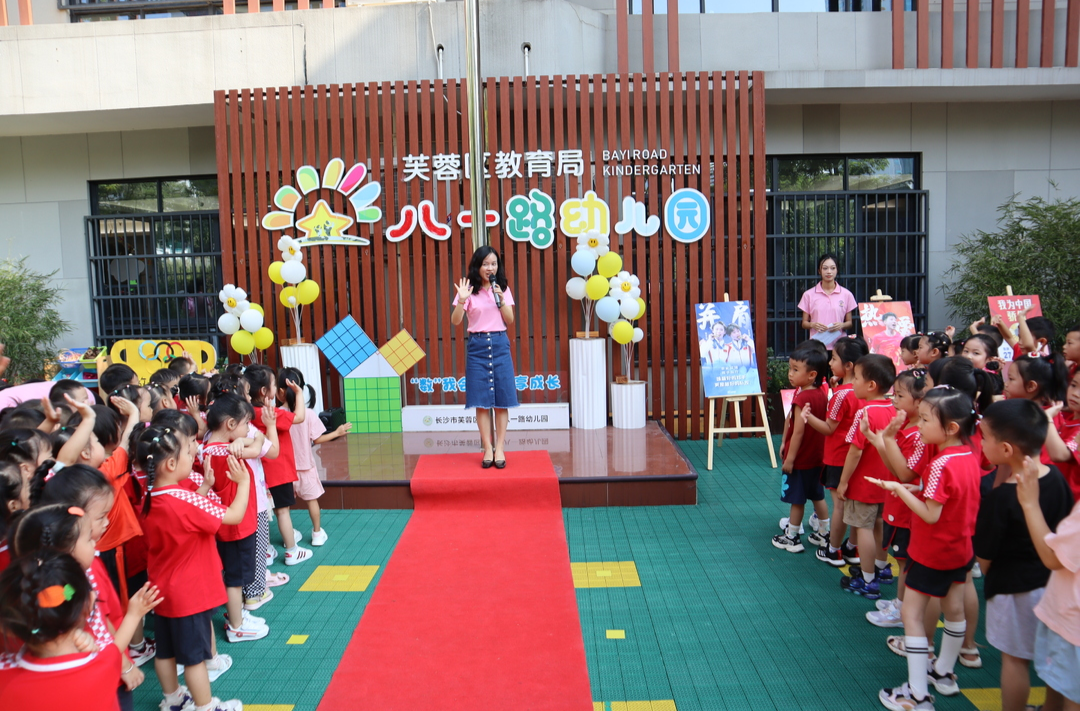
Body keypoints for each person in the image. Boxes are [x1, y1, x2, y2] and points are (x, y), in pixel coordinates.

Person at [869, 388, 982, 711]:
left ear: (951, 428)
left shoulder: (939, 464)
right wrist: (916, 488)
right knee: (954, 609)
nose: (919, 424)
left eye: (926, 419)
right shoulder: (969, 455)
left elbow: (931, 514)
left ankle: (917, 694)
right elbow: (952, 498)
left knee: (911, 614)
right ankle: (944, 673)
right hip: (960, 548)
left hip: (931, 551)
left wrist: (898, 490)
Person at [136, 424, 251, 711]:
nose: (194, 454)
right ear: (172, 463)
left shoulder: (148, 498)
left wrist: (204, 488)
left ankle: (173, 698)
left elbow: (184, 517)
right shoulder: (183, 499)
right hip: (189, 593)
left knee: (166, 652)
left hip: (162, 590)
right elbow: (234, 515)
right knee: (195, 658)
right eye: (189, 452)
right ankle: (206, 705)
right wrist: (244, 481)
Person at [975, 400, 1074, 711]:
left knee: (1015, 661)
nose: (981, 443)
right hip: (1052, 588)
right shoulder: (1056, 478)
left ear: (1006, 449)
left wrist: (990, 573)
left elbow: (985, 555)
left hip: (1011, 590)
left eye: (985, 437)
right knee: (1053, 665)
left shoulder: (1001, 496)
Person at [0, 551, 160, 711]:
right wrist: (134, 614)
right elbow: (115, 649)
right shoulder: (101, 664)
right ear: (90, 603)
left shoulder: (5, 675)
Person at [863, 368, 930, 629]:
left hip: (907, 509)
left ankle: (903, 611)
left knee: (905, 563)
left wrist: (886, 438)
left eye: (900, 395)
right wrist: (876, 439)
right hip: (899, 504)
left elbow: (902, 473)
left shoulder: (918, 436)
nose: (894, 399)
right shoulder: (909, 429)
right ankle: (901, 604)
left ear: (920, 401)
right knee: (902, 559)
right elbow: (894, 468)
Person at [1015, 449, 1080, 711]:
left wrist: (1029, 502)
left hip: (1071, 621)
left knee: (1071, 694)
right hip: (1068, 619)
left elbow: (1052, 558)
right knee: (1060, 684)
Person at [199, 395, 268, 643]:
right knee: (236, 577)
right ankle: (236, 626)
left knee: (235, 574)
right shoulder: (226, 452)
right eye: (244, 424)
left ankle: (235, 615)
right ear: (230, 424)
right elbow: (260, 446)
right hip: (236, 527)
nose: (247, 429)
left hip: (231, 525)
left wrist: (244, 438)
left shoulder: (210, 447)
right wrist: (253, 438)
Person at [451, 246, 519, 469]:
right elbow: (456, 321)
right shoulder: (469, 290)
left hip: (499, 344)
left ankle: (500, 448)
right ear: (478, 266)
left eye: (494, 264)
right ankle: (487, 448)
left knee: (501, 401)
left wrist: (500, 298)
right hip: (477, 346)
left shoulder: (503, 289)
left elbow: (509, 320)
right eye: (486, 264)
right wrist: (462, 300)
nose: (490, 268)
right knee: (481, 402)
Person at [838, 354, 898, 600]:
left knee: (862, 527)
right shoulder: (894, 408)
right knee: (880, 524)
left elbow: (854, 451)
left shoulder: (865, 413)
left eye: (857, 378)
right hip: (887, 480)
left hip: (864, 482)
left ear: (871, 385)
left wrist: (843, 481)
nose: (852, 383)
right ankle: (882, 568)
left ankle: (868, 578)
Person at [245, 366, 312, 568]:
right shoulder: (270, 413)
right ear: (265, 391)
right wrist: (299, 393)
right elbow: (299, 417)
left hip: (258, 472)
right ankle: (292, 550)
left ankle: (265, 551)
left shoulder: (247, 412)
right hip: (278, 469)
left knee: (262, 512)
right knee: (283, 512)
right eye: (274, 384)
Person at [279, 368, 350, 547]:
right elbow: (318, 438)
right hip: (306, 467)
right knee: (312, 501)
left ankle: (290, 534)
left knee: (283, 509)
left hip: (285, 469)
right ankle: (317, 533)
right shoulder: (308, 414)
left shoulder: (276, 414)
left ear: (280, 393)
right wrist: (337, 432)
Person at [772, 348, 830, 554]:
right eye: (790, 368)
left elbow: (797, 433)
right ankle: (825, 532)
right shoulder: (822, 395)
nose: (790, 373)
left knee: (797, 500)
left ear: (812, 374)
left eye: (795, 369)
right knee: (818, 496)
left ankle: (792, 537)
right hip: (817, 458)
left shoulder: (801, 398)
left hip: (801, 459)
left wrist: (790, 458)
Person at [798, 254, 856, 349]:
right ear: (819, 271)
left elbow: (849, 323)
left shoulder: (846, 294)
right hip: (817, 345)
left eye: (833, 268)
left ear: (837, 270)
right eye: (825, 268)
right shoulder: (808, 294)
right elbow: (804, 323)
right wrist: (813, 325)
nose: (829, 272)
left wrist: (841, 325)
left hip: (839, 346)